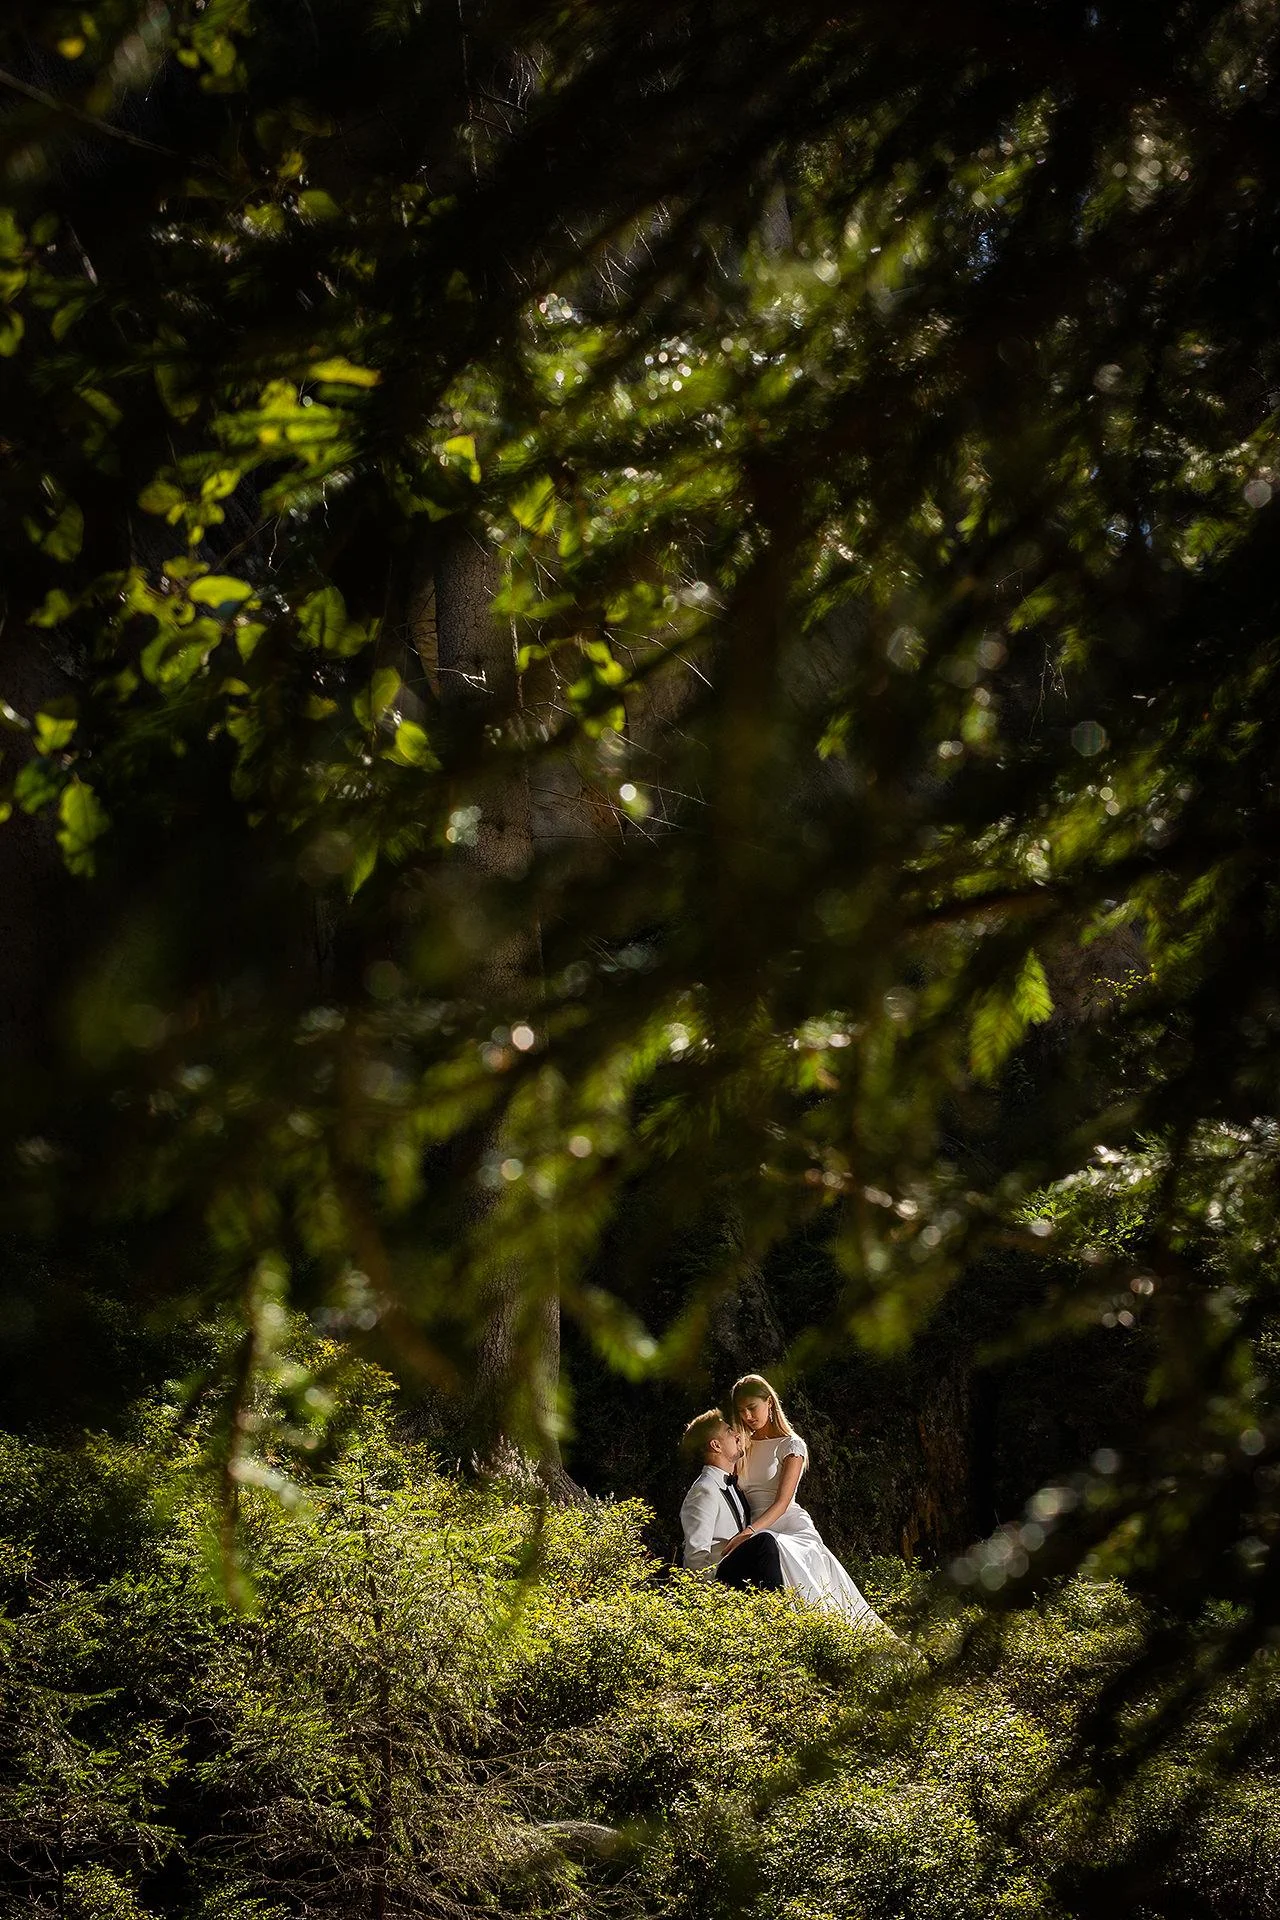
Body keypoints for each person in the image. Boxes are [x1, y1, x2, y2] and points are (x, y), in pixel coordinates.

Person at [723, 1372, 884, 1629]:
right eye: (741, 1411)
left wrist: (749, 1532)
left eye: (752, 1408)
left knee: (798, 1579)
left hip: (788, 1528)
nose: (747, 1416)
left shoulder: (791, 1445)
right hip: (755, 1531)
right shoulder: (743, 1446)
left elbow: (782, 1503)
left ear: (769, 1402)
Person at [678, 1407, 786, 1590]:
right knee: (764, 1542)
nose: (737, 1434)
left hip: (742, 1576)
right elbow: (695, 1556)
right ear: (716, 1446)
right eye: (729, 1431)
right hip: (721, 1582)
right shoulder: (704, 1489)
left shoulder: (731, 1486)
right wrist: (710, 1598)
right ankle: (779, 1615)